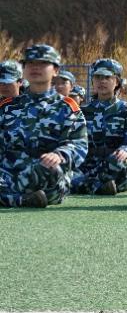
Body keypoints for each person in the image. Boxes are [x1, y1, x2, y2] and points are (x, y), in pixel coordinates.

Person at [0, 44, 88, 208]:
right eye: (30, 63)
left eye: (42, 63)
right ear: (24, 70)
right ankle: (23, 200)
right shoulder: (7, 107)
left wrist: (60, 155)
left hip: (46, 175)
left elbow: (79, 144)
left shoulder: (67, 107)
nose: (35, 67)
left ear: (55, 70)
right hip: (10, 174)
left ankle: (12, 197)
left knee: (47, 170)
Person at [71, 58, 127, 195]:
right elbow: (73, 142)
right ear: (92, 81)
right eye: (98, 77)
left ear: (117, 82)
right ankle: (99, 186)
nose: (102, 81)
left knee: (119, 162)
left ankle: (85, 185)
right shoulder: (82, 112)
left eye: (107, 77)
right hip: (87, 167)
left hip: (114, 166)